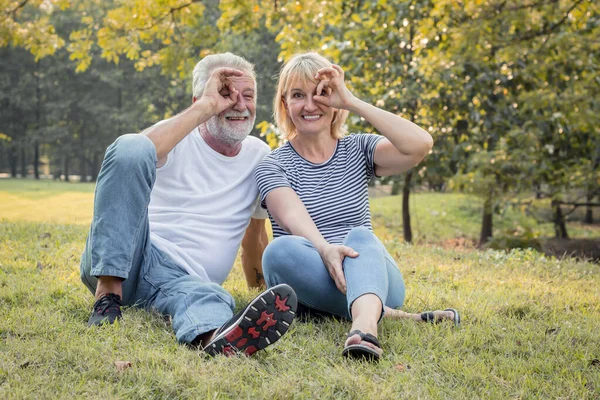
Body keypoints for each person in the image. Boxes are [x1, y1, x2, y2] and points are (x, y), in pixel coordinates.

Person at [80, 53, 297, 357]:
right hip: (130, 255)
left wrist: (260, 290)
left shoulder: (259, 156)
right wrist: (205, 108)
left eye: (248, 96)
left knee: (209, 295)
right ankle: (108, 295)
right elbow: (127, 159)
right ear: (201, 98)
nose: (240, 104)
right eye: (225, 94)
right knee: (132, 145)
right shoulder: (175, 135)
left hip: (184, 281)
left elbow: (254, 236)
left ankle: (217, 340)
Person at [255, 52, 459, 362]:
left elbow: (420, 145)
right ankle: (389, 315)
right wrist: (325, 249)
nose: (310, 105)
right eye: (298, 95)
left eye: (321, 94)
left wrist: (352, 102)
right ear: (285, 104)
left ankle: (365, 327)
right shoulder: (272, 164)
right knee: (277, 252)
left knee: (360, 237)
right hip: (308, 275)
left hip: (374, 275)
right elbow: (291, 214)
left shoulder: (358, 148)